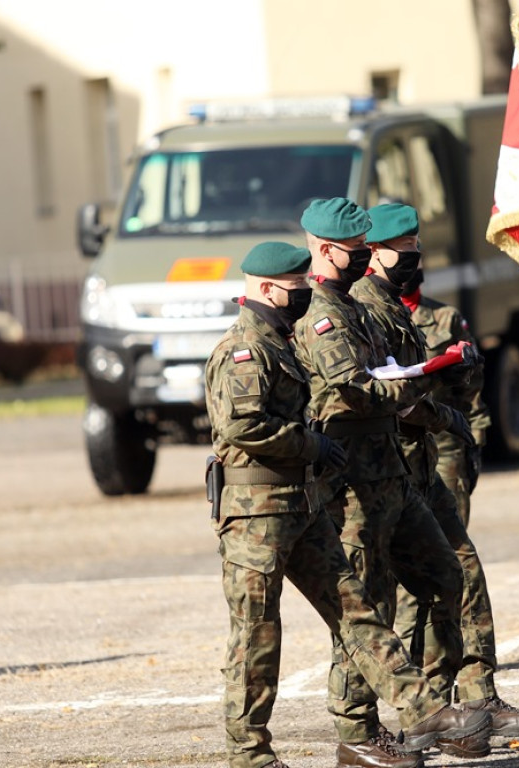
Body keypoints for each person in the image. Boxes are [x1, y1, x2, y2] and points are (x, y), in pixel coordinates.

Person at [204, 241, 492, 768]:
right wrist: (312, 443)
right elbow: (242, 427)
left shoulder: (280, 340)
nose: (302, 297)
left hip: (302, 504)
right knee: (257, 636)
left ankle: (421, 707)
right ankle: (250, 756)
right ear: (266, 289)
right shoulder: (245, 348)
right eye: (294, 290)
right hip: (255, 515)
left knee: (356, 610)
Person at [291, 199, 489, 768]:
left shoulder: (356, 309)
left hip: (392, 476)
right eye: (355, 253)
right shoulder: (321, 315)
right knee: (364, 605)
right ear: (325, 251)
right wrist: (423, 382)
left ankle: (430, 714)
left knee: (444, 575)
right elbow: (355, 389)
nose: (362, 262)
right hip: (350, 484)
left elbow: (386, 380)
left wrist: (428, 395)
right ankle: (358, 732)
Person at [356, 203, 519, 754]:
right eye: (406, 248)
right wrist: (437, 403)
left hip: (421, 468)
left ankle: (470, 698)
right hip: (386, 471)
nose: (415, 258)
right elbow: (376, 393)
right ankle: (418, 713)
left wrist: (458, 382)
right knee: (391, 600)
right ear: (374, 252)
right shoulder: (365, 310)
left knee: (459, 575)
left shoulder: (398, 306)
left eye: (418, 247)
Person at [399, 260, 491, 528]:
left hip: (445, 440)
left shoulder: (445, 317)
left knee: (453, 536)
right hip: (398, 446)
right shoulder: (373, 318)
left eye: (415, 258)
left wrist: (476, 440)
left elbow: (472, 384)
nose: (410, 267)